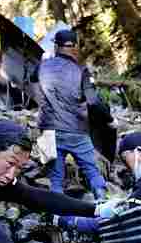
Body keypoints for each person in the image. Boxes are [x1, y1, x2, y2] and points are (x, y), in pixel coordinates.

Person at [34, 29, 108, 200]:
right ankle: (103, 205)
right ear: (75, 47)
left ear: (56, 46)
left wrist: (44, 62)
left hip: (49, 131)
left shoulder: (43, 65)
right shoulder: (81, 70)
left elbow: (31, 78)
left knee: (56, 179)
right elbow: (93, 102)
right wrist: (109, 120)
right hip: (76, 130)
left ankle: (57, 216)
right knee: (91, 169)